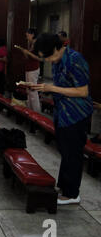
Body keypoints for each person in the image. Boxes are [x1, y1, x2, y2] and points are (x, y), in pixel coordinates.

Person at [31, 33, 93, 205]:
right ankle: (65, 186)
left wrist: (53, 88)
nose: (50, 60)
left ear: (59, 47)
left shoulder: (75, 59)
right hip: (63, 113)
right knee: (65, 153)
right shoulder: (59, 60)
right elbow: (61, 86)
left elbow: (82, 91)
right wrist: (47, 89)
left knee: (73, 154)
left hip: (76, 114)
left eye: (51, 56)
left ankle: (72, 194)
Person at [17, 28, 41, 112]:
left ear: (32, 35)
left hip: (33, 68)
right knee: (29, 90)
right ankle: (30, 111)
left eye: (28, 35)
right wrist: (24, 52)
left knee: (33, 91)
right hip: (29, 68)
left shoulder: (37, 44)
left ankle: (36, 112)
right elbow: (28, 58)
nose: (27, 37)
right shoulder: (31, 44)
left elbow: (39, 58)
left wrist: (28, 52)